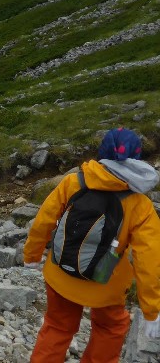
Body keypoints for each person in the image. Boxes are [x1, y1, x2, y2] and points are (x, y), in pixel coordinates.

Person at [23, 128, 160, 362]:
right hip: (106, 284)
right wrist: (152, 310)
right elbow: (149, 260)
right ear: (136, 158)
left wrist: (32, 255)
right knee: (110, 328)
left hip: (61, 274)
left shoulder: (73, 182)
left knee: (57, 326)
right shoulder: (140, 205)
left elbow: (43, 221)